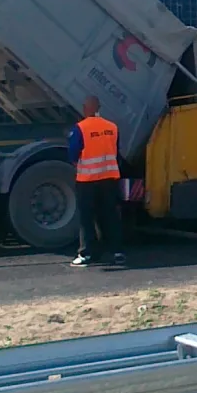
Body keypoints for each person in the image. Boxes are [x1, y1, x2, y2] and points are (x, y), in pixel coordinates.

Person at [68, 95, 127, 268]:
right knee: (110, 216)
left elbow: (73, 154)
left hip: (87, 180)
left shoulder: (80, 128)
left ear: (86, 108)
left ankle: (87, 253)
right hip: (109, 179)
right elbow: (116, 152)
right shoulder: (112, 127)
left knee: (87, 218)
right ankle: (117, 252)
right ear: (99, 108)